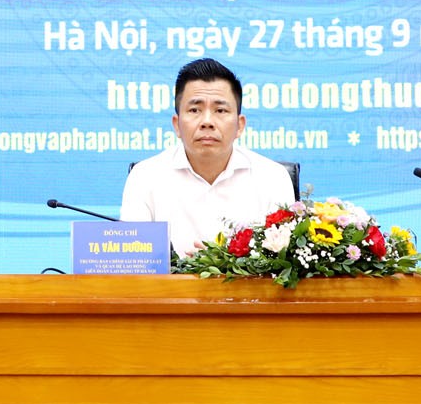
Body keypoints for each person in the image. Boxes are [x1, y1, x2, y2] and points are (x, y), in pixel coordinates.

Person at [121, 57, 297, 256]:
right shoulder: (144, 177)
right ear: (177, 125)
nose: (207, 121)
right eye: (194, 110)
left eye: (220, 110)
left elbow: (283, 262)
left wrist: (224, 265)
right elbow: (133, 262)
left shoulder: (273, 177)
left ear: (240, 125)